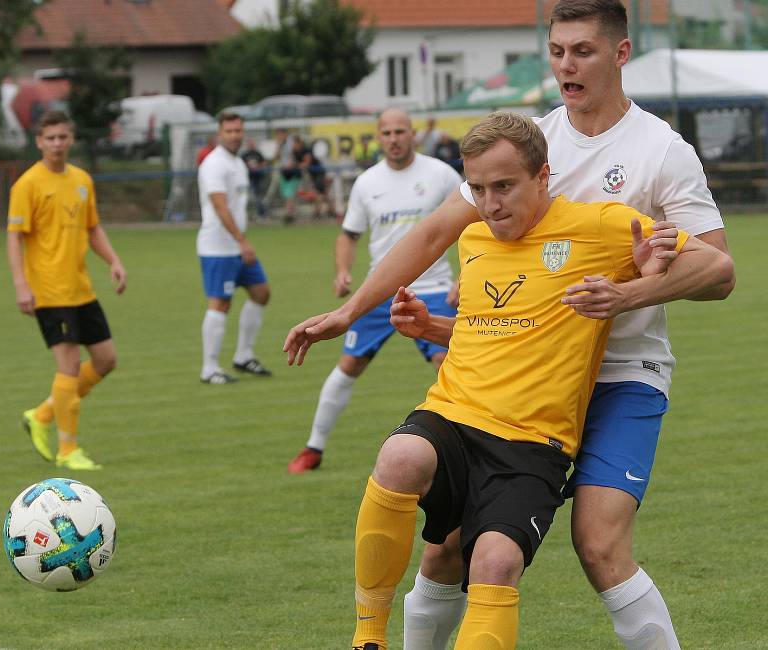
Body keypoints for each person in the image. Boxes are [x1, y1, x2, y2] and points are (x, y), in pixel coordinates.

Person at [284, 2, 736, 648]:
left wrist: (629, 292)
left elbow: (718, 269)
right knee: (444, 552)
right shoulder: (530, 140)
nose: (565, 65)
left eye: (581, 50)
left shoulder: (661, 151)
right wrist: (351, 310)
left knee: (600, 544)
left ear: (620, 54)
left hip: (622, 376)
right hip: (518, 381)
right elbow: (441, 231)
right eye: (556, 51)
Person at [286, 108, 462, 474]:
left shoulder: (441, 175)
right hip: (380, 293)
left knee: (450, 365)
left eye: (401, 131)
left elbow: (473, 225)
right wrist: (342, 271)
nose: (394, 138)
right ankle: (313, 448)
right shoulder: (366, 183)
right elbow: (348, 235)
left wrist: (465, 276)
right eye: (387, 132)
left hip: (433, 290)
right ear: (378, 137)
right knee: (349, 364)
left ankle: (467, 447)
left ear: (413, 134)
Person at [7, 110, 127, 471]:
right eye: (51, 138)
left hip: (82, 289)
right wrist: (21, 284)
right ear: (39, 141)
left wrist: (114, 261)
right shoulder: (27, 184)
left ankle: (42, 414)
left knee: (106, 361)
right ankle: (68, 450)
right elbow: (14, 238)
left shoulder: (81, 180)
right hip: (48, 291)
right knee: (70, 366)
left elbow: (92, 228)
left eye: (63, 137)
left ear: (71, 140)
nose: (57, 144)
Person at [197, 112, 272, 384]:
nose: (234, 135)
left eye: (238, 130)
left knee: (261, 293)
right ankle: (209, 368)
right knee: (220, 303)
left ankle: (243, 355)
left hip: (237, 247)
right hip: (218, 247)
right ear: (220, 133)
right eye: (229, 131)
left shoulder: (237, 162)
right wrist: (242, 241)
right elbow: (219, 206)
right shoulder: (213, 164)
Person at [291, 136, 337, 219]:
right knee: (323, 193)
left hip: (318, 172)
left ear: (299, 143)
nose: (293, 145)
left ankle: (318, 212)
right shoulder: (295, 152)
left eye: (295, 143)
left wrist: (297, 165)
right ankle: (331, 211)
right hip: (312, 174)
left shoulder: (305, 150)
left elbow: (306, 163)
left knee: (319, 193)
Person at [241, 137, 268, 218]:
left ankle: (261, 213)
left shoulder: (258, 153)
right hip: (247, 179)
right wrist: (248, 167)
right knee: (245, 196)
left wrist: (258, 167)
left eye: (252, 143)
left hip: (257, 178)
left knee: (257, 196)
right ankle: (249, 213)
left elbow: (264, 163)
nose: (251, 145)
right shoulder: (245, 154)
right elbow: (240, 165)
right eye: (250, 143)